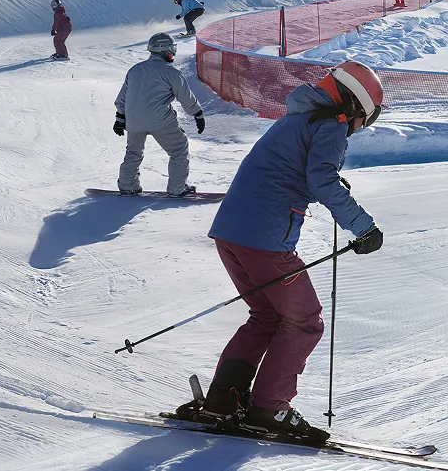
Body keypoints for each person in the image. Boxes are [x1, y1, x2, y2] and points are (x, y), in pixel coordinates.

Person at [190, 61, 387, 444]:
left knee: (266, 315)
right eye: (366, 119)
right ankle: (270, 407)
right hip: (264, 239)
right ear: (357, 105)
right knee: (304, 321)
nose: (360, 127)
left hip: (230, 232)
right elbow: (321, 179)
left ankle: (223, 400)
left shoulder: (298, 117)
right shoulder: (331, 124)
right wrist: (363, 227)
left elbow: (294, 170)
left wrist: (326, 181)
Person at [115, 33, 205, 197]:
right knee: (179, 148)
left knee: (133, 153)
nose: (173, 53)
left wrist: (120, 119)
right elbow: (185, 97)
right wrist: (197, 113)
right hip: (160, 120)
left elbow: (122, 97)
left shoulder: (135, 70)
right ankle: (177, 187)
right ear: (164, 50)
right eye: (172, 49)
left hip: (134, 120)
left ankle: (127, 185)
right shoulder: (170, 72)